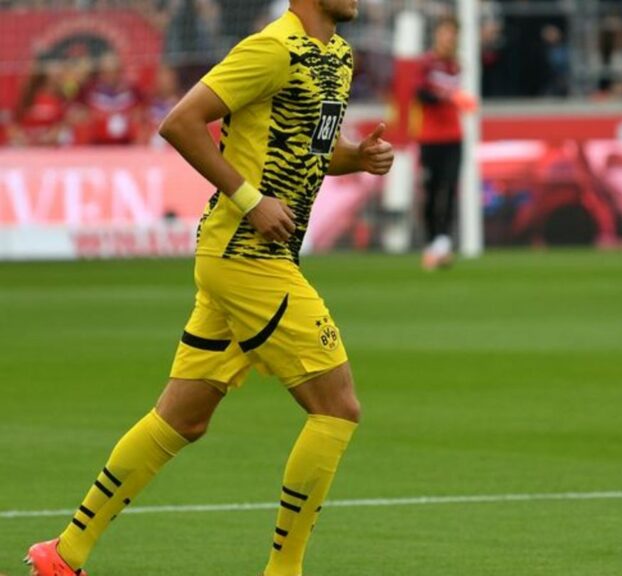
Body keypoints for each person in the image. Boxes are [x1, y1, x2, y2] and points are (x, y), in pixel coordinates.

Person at [24, 1, 394, 575]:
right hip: (248, 258)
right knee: (336, 408)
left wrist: (356, 158)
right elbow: (179, 122)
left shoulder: (338, 57)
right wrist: (250, 200)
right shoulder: (270, 50)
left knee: (181, 419)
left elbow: (309, 153)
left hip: (243, 259)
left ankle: (63, 553)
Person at [413, 16, 475, 270]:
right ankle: (431, 243)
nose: (449, 38)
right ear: (437, 35)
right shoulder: (426, 64)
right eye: (445, 33)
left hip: (453, 136)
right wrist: (451, 98)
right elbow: (420, 95)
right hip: (429, 137)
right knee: (430, 191)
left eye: (452, 34)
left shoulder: (457, 66)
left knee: (449, 189)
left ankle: (442, 244)